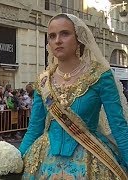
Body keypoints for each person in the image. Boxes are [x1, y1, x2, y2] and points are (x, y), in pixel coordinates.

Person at [18, 13, 128, 179]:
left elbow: (118, 127)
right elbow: (34, 129)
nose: (57, 40)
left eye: (65, 34)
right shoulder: (43, 81)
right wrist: (15, 159)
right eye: (52, 36)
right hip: (43, 160)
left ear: (78, 38)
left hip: (91, 156)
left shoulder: (100, 76)